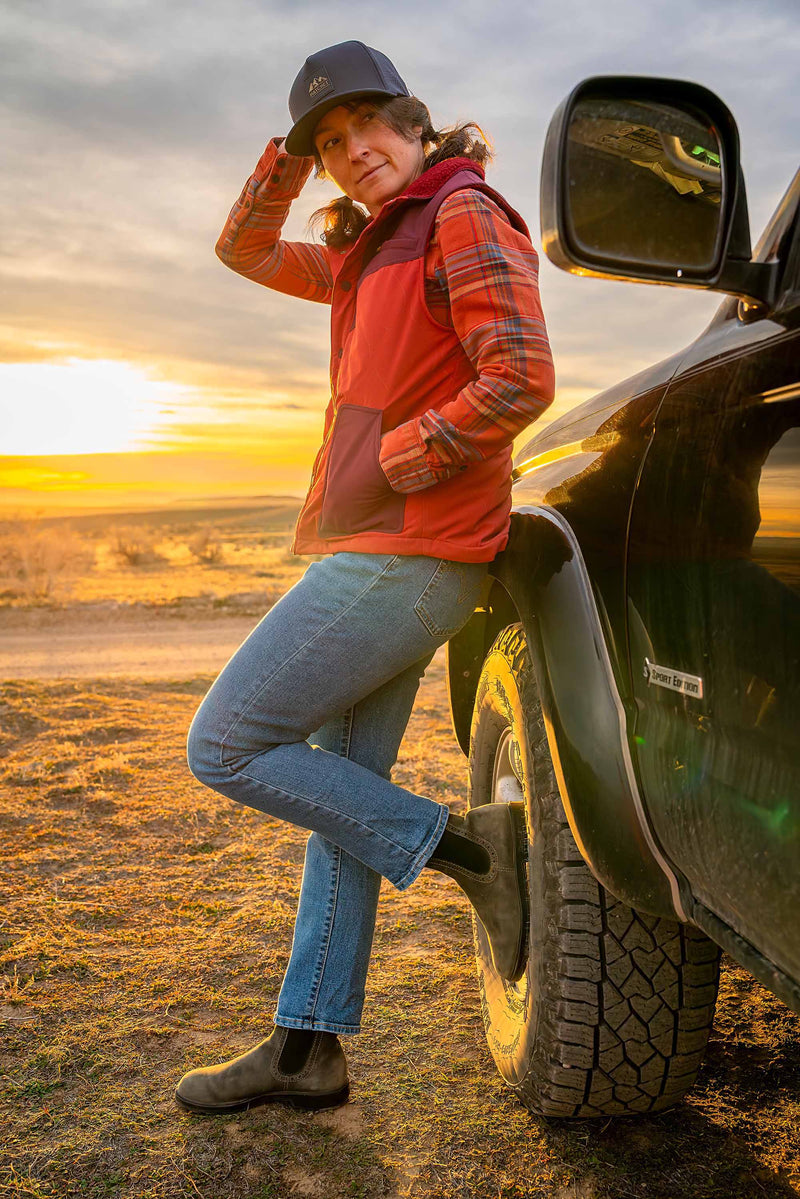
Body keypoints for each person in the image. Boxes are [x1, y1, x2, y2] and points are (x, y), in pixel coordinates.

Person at [175, 40, 555, 1115]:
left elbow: (519, 371)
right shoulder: (361, 253)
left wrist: (407, 456)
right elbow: (240, 248)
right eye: (331, 145)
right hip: (378, 549)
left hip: (411, 553)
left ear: (416, 121)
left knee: (227, 740)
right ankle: (307, 1049)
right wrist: (287, 163)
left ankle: (467, 850)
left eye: (366, 129)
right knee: (342, 800)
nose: (353, 154)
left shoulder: (460, 213)